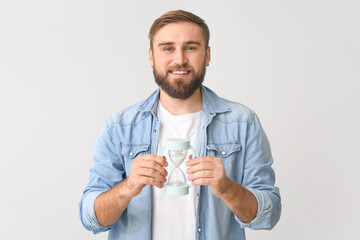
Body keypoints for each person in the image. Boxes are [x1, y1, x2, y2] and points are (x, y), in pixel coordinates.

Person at [79, 9, 281, 240]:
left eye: (191, 47)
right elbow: (90, 218)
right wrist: (129, 186)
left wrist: (227, 188)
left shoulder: (243, 122)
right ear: (151, 57)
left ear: (207, 55)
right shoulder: (120, 127)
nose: (180, 59)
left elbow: (269, 215)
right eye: (168, 48)